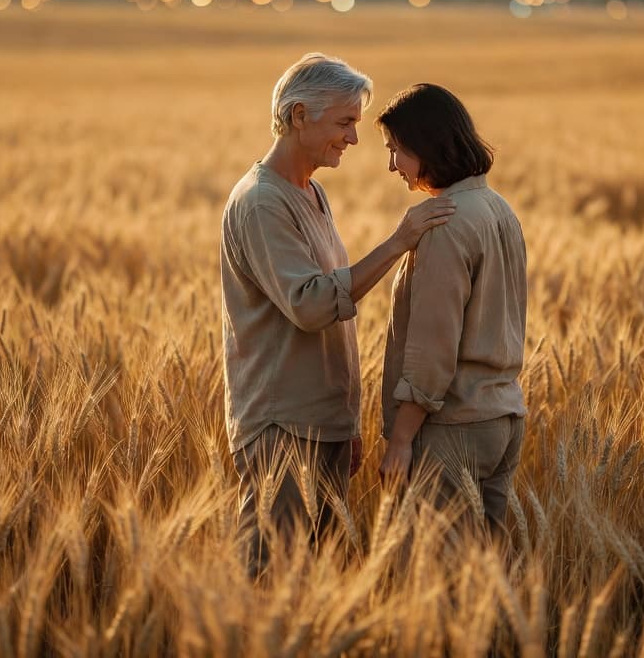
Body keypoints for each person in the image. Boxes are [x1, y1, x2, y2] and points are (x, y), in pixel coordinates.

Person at [220, 54, 456, 575]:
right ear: (300, 116)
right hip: (281, 426)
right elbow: (310, 305)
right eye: (345, 122)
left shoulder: (312, 193)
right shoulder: (262, 203)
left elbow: (333, 310)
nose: (353, 138)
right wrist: (399, 242)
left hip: (321, 424)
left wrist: (344, 422)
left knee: (317, 580)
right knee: (272, 581)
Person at [374, 83, 527, 541]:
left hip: (453, 430)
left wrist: (401, 439)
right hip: (502, 420)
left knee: (437, 586)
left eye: (396, 150)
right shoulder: (499, 209)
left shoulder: (444, 223)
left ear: (426, 145)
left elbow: (432, 349)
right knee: (485, 581)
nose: (391, 165)